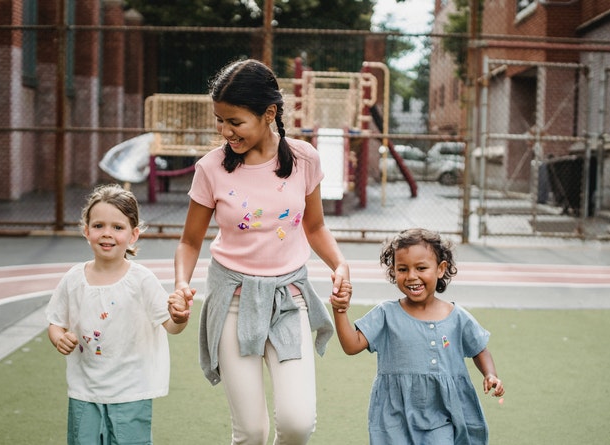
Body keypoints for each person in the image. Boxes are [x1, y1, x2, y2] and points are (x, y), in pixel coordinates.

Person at [170, 58, 351, 445]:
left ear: (269, 114)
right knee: (251, 432)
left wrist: (339, 264)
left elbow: (315, 226)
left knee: (297, 423)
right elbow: (189, 241)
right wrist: (181, 284)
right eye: (220, 120)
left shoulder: (305, 159)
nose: (225, 131)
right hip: (233, 298)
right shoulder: (211, 168)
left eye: (235, 121)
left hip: (289, 298)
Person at [46, 184, 192, 445]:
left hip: (131, 392)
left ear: (133, 234)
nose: (107, 234)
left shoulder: (142, 279)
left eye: (117, 227)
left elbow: (170, 325)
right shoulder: (73, 279)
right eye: (99, 225)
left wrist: (179, 317)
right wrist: (59, 339)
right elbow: (55, 322)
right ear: (86, 230)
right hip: (84, 391)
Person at [331, 228, 504, 445]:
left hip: (442, 411)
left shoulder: (457, 316)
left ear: (441, 269)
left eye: (421, 268)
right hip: (395, 413)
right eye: (402, 269)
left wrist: (490, 374)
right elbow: (351, 345)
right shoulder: (386, 314)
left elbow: (479, 348)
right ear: (394, 271)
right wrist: (340, 310)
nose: (412, 276)